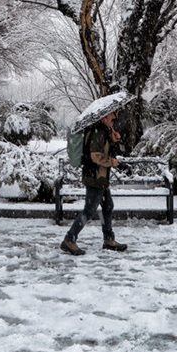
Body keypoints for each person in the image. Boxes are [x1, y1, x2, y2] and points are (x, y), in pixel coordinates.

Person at [60, 109, 128, 255]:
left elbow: (103, 150)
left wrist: (113, 140)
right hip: (95, 176)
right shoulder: (98, 132)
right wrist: (113, 162)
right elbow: (95, 156)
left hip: (100, 177)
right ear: (103, 117)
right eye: (112, 114)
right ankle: (69, 239)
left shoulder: (103, 130)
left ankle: (109, 240)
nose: (115, 117)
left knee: (108, 206)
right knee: (90, 210)